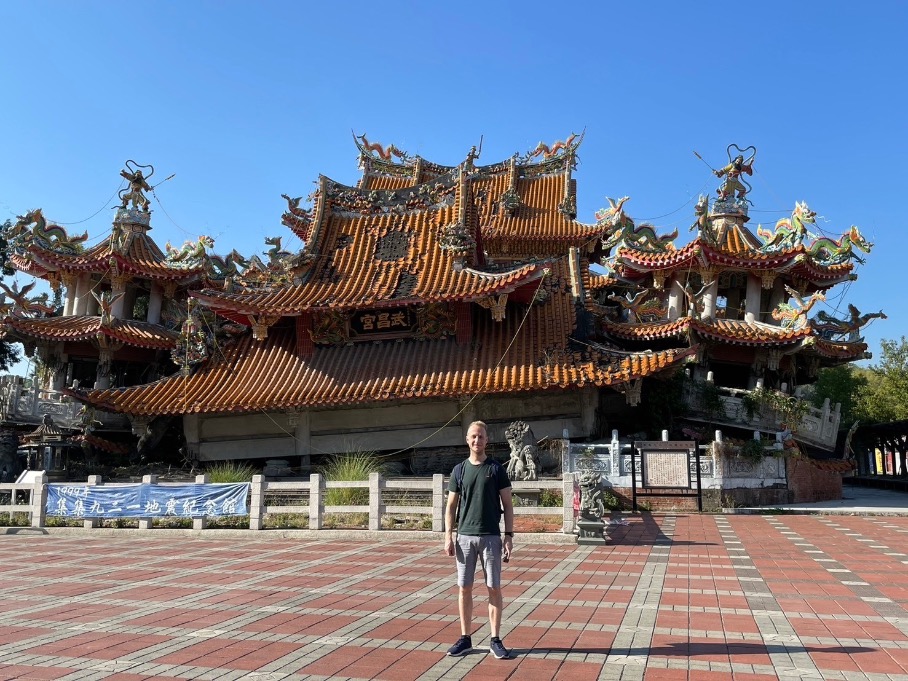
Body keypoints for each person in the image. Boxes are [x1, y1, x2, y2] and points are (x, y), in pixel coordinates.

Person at [444, 421, 514, 660]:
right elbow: (451, 506)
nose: (477, 441)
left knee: (493, 587)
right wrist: (448, 536)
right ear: (467, 439)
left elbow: (508, 505)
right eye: (473, 437)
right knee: (464, 587)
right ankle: (465, 638)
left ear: (487, 440)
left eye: (481, 437)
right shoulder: (459, 470)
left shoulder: (496, 469)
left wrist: (509, 536)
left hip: (491, 537)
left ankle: (495, 638)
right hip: (464, 537)